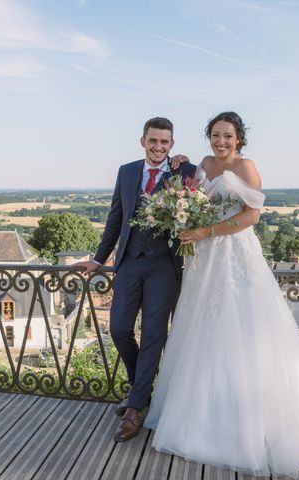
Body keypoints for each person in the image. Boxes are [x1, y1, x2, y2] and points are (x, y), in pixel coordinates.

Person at [144, 112, 299, 478]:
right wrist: (180, 175)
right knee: (201, 332)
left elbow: (252, 216)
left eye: (228, 136)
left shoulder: (247, 167)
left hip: (234, 256)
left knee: (241, 333)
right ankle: (199, 416)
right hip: (204, 262)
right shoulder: (202, 164)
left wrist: (208, 231)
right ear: (209, 137)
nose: (221, 142)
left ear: (239, 139)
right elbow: (188, 191)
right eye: (216, 135)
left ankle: (249, 427)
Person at [75, 117, 196, 442]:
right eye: (153, 141)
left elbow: (204, 190)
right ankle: (143, 384)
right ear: (142, 141)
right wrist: (99, 259)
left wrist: (185, 162)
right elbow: (116, 217)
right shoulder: (127, 172)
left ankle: (135, 408)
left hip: (164, 266)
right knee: (119, 328)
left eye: (165, 142)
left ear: (172, 144)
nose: (159, 147)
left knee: (154, 336)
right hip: (127, 262)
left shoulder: (183, 172)